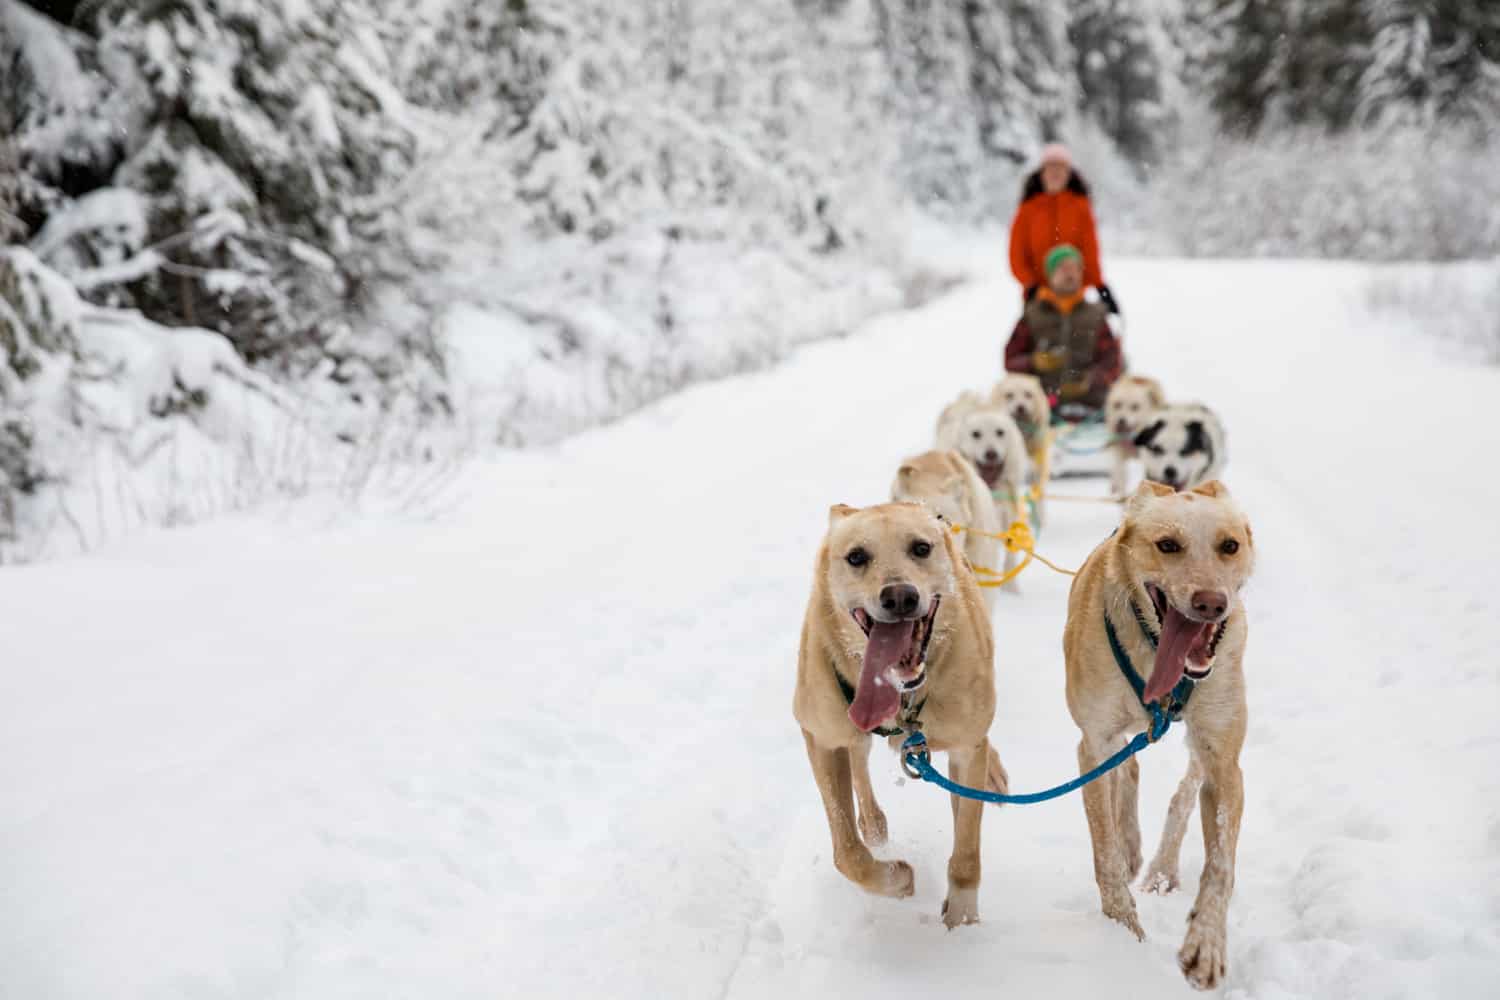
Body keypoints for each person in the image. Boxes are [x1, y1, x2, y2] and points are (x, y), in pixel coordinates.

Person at [1004, 243, 1121, 410]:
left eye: (1075, 268)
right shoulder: (1032, 315)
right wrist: (1034, 362)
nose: (1070, 273)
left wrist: (1090, 381)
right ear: (1050, 275)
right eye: (1063, 268)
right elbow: (1010, 361)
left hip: (1092, 407)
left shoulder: (1097, 316)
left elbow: (1112, 362)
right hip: (1039, 408)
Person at [1008, 142, 1119, 315]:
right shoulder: (1027, 210)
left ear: (1069, 173)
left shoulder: (1080, 207)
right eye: (1051, 167)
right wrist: (1031, 285)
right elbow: (1016, 254)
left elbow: (1090, 250)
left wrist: (1098, 284)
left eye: (1061, 167)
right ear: (1042, 173)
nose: (1055, 173)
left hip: (1073, 296)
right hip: (1038, 297)